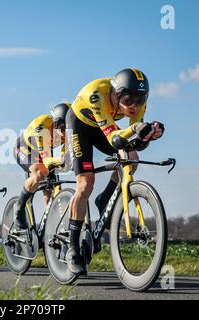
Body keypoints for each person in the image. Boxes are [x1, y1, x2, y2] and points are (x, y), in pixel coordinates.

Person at [65, 68, 165, 274]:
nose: (134, 106)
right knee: (85, 183)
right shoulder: (97, 94)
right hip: (79, 126)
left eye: (139, 100)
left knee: (132, 158)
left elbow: (135, 141)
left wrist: (148, 134)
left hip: (105, 127)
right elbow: (114, 137)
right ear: (115, 94)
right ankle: (72, 247)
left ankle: (106, 198)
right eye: (128, 100)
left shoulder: (137, 102)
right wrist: (138, 129)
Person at [13, 103, 70, 230]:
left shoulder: (69, 132)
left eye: (68, 129)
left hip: (44, 150)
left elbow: (65, 154)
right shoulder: (42, 126)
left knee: (51, 184)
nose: (65, 133)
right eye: (62, 129)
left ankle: (48, 226)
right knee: (40, 172)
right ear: (54, 125)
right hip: (24, 148)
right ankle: (19, 206)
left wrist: (64, 159)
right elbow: (47, 160)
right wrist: (60, 159)